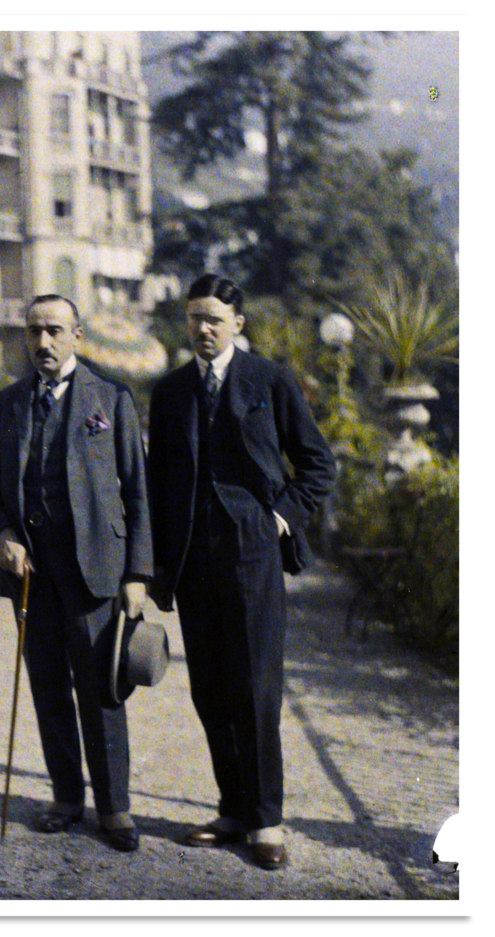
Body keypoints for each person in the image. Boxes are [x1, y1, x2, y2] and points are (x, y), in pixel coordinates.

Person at [147, 274, 336, 870]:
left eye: (214, 319)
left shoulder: (269, 381)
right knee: (210, 689)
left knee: (256, 689)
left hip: (252, 554)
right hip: (192, 558)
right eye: (194, 317)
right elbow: (158, 481)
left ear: (237, 324)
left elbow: (318, 464)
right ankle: (232, 809)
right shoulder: (171, 390)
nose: (203, 329)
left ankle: (266, 819)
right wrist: (156, 564)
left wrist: (279, 518)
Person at [0, 294, 152, 852]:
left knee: (102, 690)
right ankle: (67, 797)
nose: (43, 342)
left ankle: (115, 807)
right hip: (31, 572)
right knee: (47, 684)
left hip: (94, 569)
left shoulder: (111, 399)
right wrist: (2, 535)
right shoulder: (7, 404)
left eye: (54, 330)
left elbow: (137, 491)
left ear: (77, 335)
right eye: (34, 331)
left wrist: (136, 574)